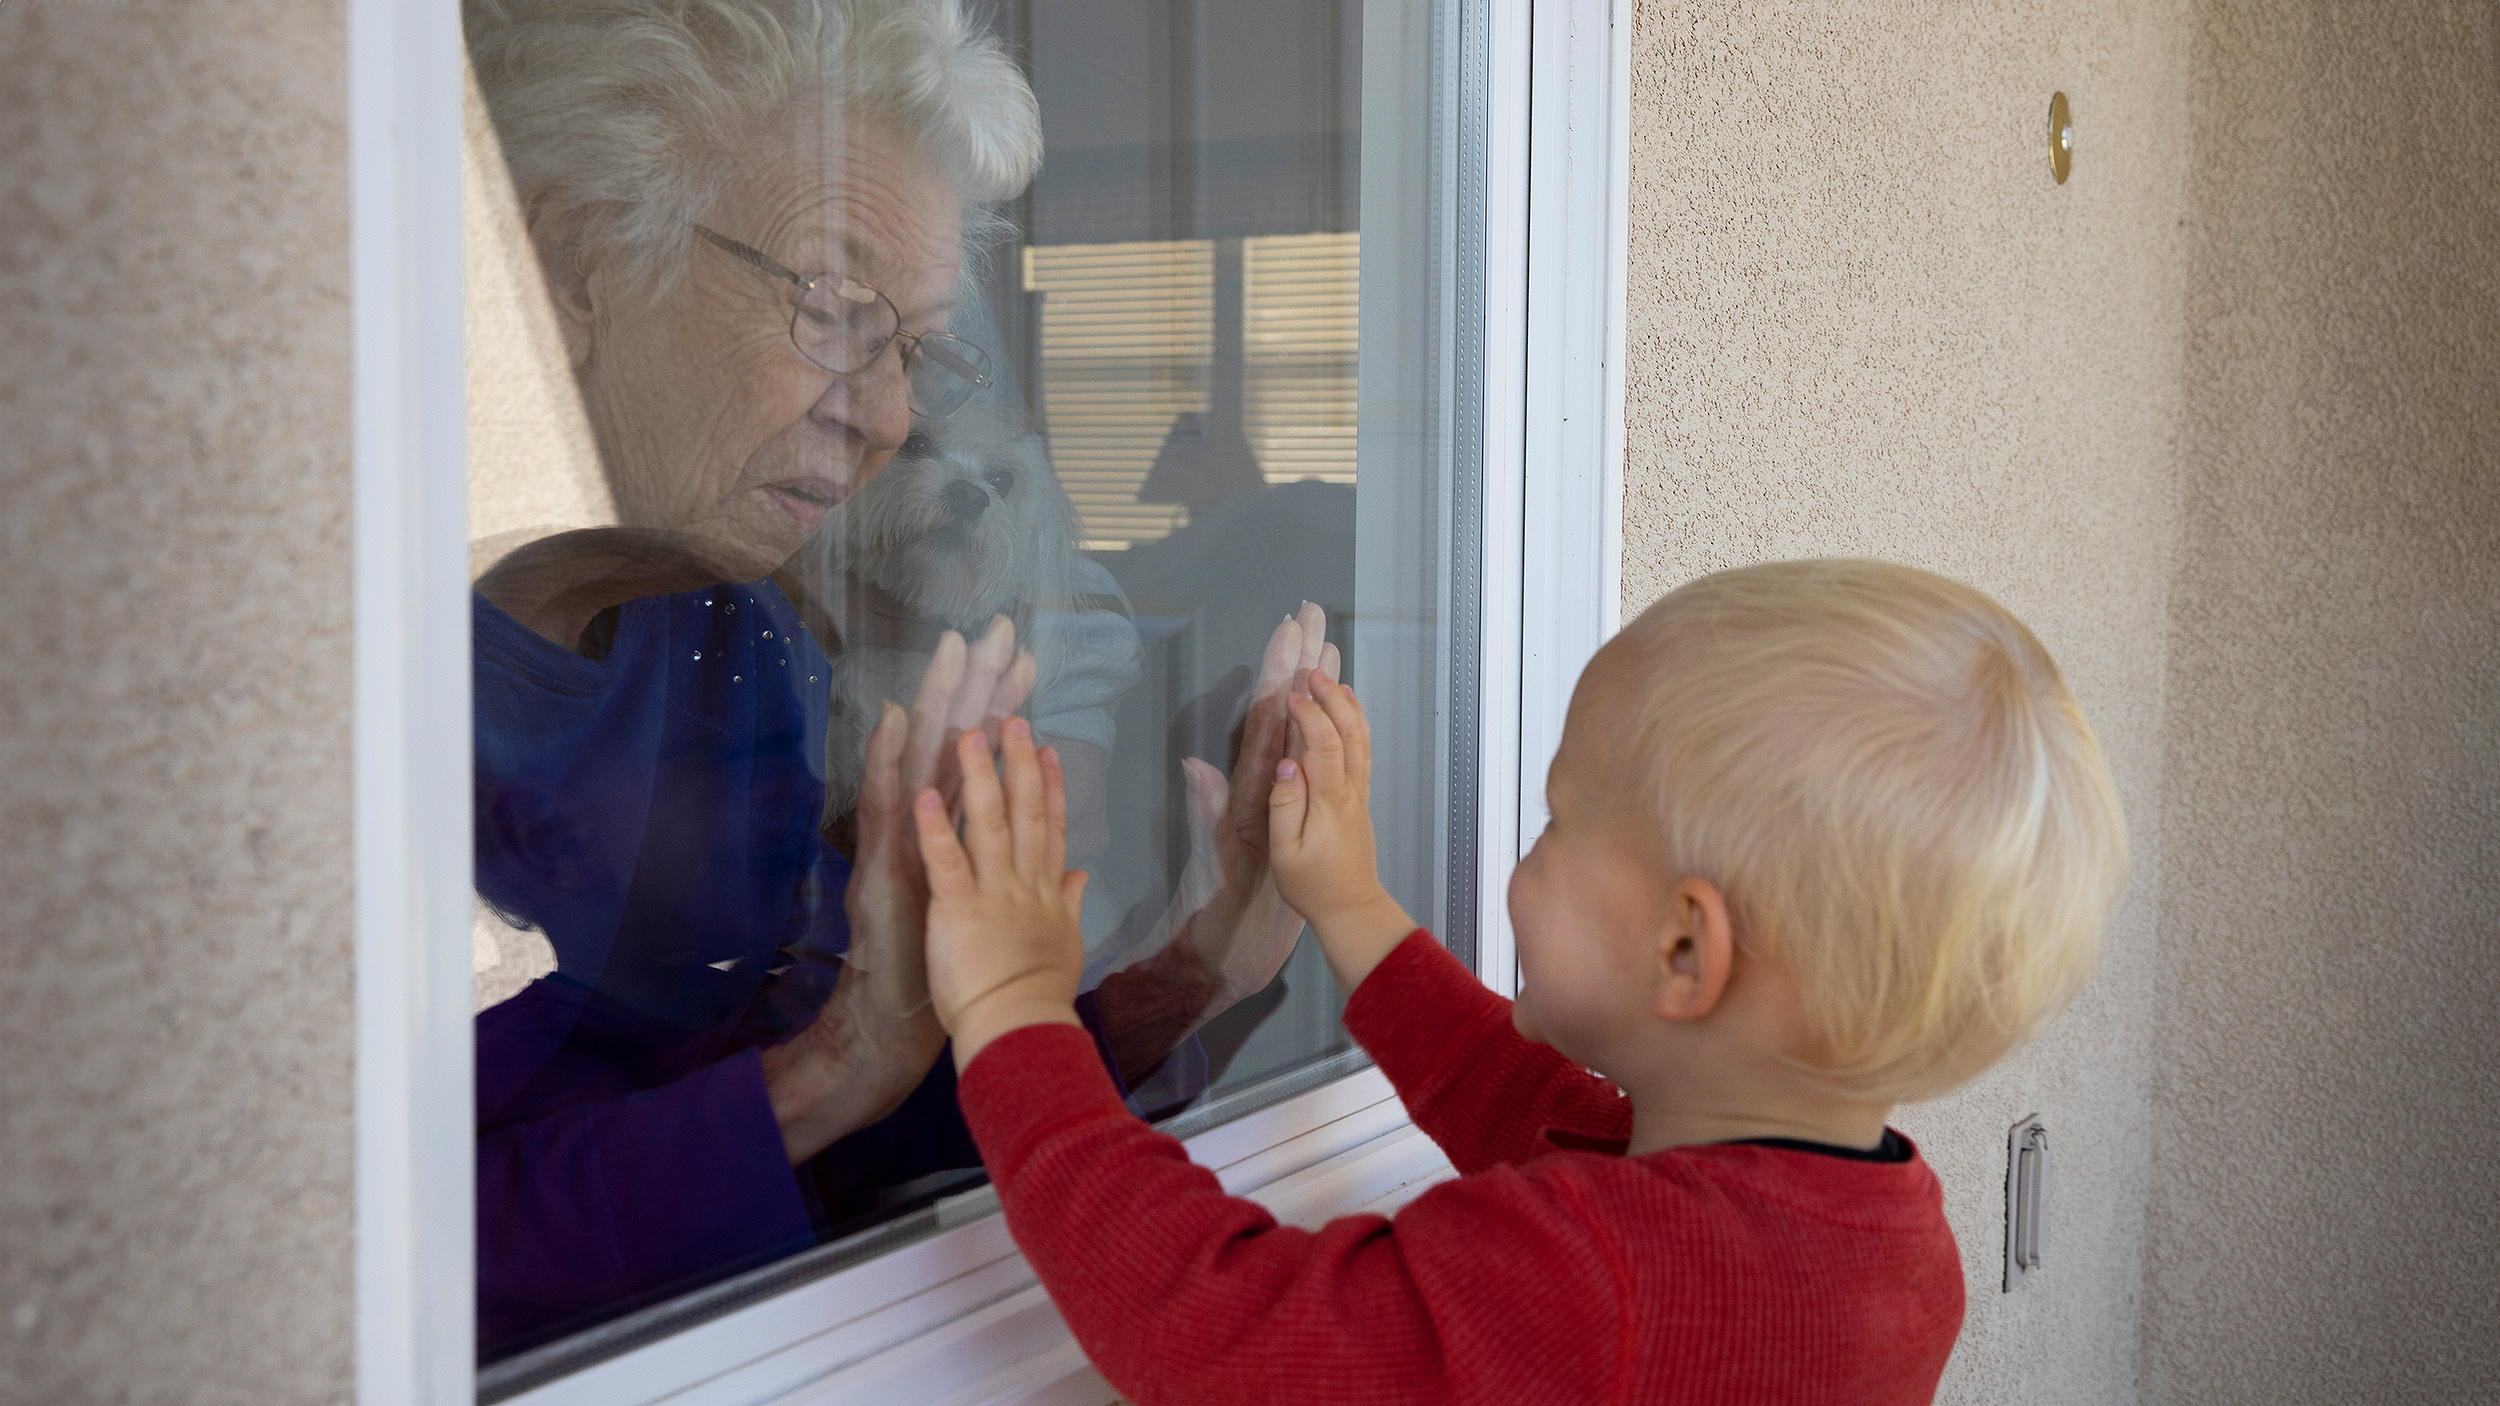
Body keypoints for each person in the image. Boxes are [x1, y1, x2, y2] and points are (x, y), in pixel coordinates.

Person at [464, 0, 1320, 1356]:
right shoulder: (351, 687)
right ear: (573, 263)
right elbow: (347, 1257)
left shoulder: (742, 657)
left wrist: (1194, 970)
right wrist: (822, 1075)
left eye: (913, 346)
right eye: (836, 309)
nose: (887, 415)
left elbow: (840, 1128)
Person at [911, 558, 2131, 1404]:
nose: (1523, 847)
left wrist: (1018, 1009)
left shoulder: (1602, 1282)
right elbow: (1522, 1103)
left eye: (1556, 822)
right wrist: (1347, 900)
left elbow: (1214, 1329)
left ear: (1685, 952)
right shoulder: (1882, 1240)